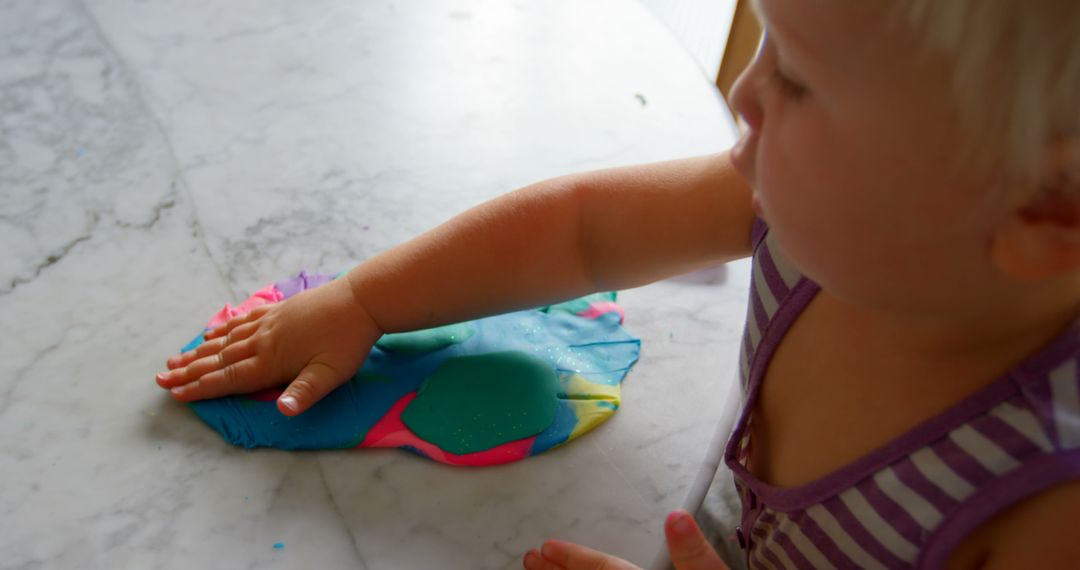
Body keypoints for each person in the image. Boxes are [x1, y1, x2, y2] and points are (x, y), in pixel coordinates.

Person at [156, 0, 1080, 566]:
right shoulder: (825, 221)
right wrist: (364, 301)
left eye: (798, 78)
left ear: (1043, 214)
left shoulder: (1045, 506)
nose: (746, 94)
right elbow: (584, 228)